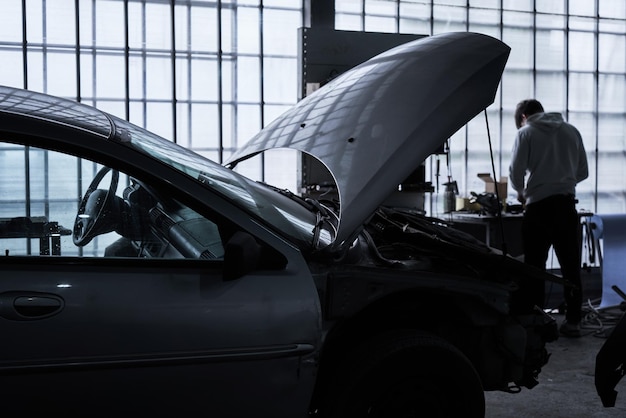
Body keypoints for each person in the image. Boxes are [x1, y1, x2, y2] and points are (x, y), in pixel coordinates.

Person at [509, 99, 589, 338]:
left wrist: (523, 192)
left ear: (523, 116)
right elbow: (583, 172)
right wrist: (562, 180)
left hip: (538, 209)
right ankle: (573, 322)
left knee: (535, 267)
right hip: (566, 206)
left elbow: (515, 172)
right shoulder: (571, 130)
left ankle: (537, 320)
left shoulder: (526, 133)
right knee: (571, 266)